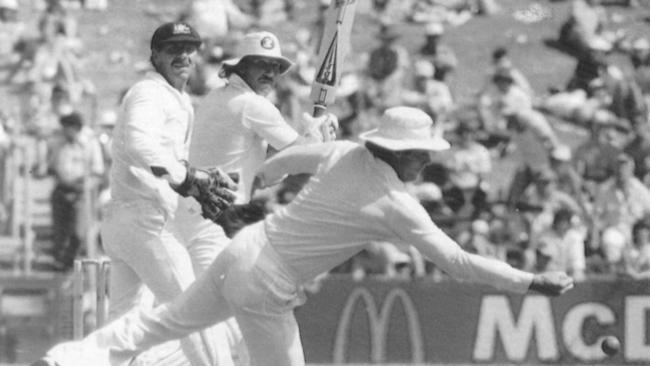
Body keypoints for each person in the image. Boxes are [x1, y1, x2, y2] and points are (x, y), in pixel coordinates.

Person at [35, 106, 574, 366]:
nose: (425, 162)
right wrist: (529, 281)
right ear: (405, 153)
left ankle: (67, 359)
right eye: (423, 154)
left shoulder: (343, 152)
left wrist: (252, 187)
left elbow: (284, 162)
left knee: (164, 323)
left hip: (244, 249)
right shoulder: (395, 204)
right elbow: (456, 263)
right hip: (267, 280)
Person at [174, 29, 338, 364]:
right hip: (214, 225)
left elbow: (263, 174)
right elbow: (304, 157)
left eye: (275, 66)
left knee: (237, 319)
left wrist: (314, 138)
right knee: (222, 319)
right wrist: (320, 134)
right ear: (240, 67)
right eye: (260, 64)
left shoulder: (217, 98)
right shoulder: (252, 105)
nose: (269, 72)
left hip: (207, 220)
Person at [89, 22, 237, 366]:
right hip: (146, 222)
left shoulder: (175, 97)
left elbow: (160, 158)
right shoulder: (149, 92)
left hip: (129, 220)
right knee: (193, 311)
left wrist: (194, 184)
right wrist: (186, 178)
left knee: (126, 331)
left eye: (189, 48)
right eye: (173, 49)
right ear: (155, 55)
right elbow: (140, 145)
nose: (183, 55)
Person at [46, 111, 104, 270]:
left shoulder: (90, 144)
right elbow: (51, 167)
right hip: (61, 191)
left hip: (81, 194)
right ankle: (60, 266)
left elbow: (98, 172)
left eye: (68, 128)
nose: (66, 131)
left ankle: (69, 260)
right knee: (60, 232)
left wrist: (83, 186)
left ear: (77, 128)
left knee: (78, 233)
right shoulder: (58, 144)